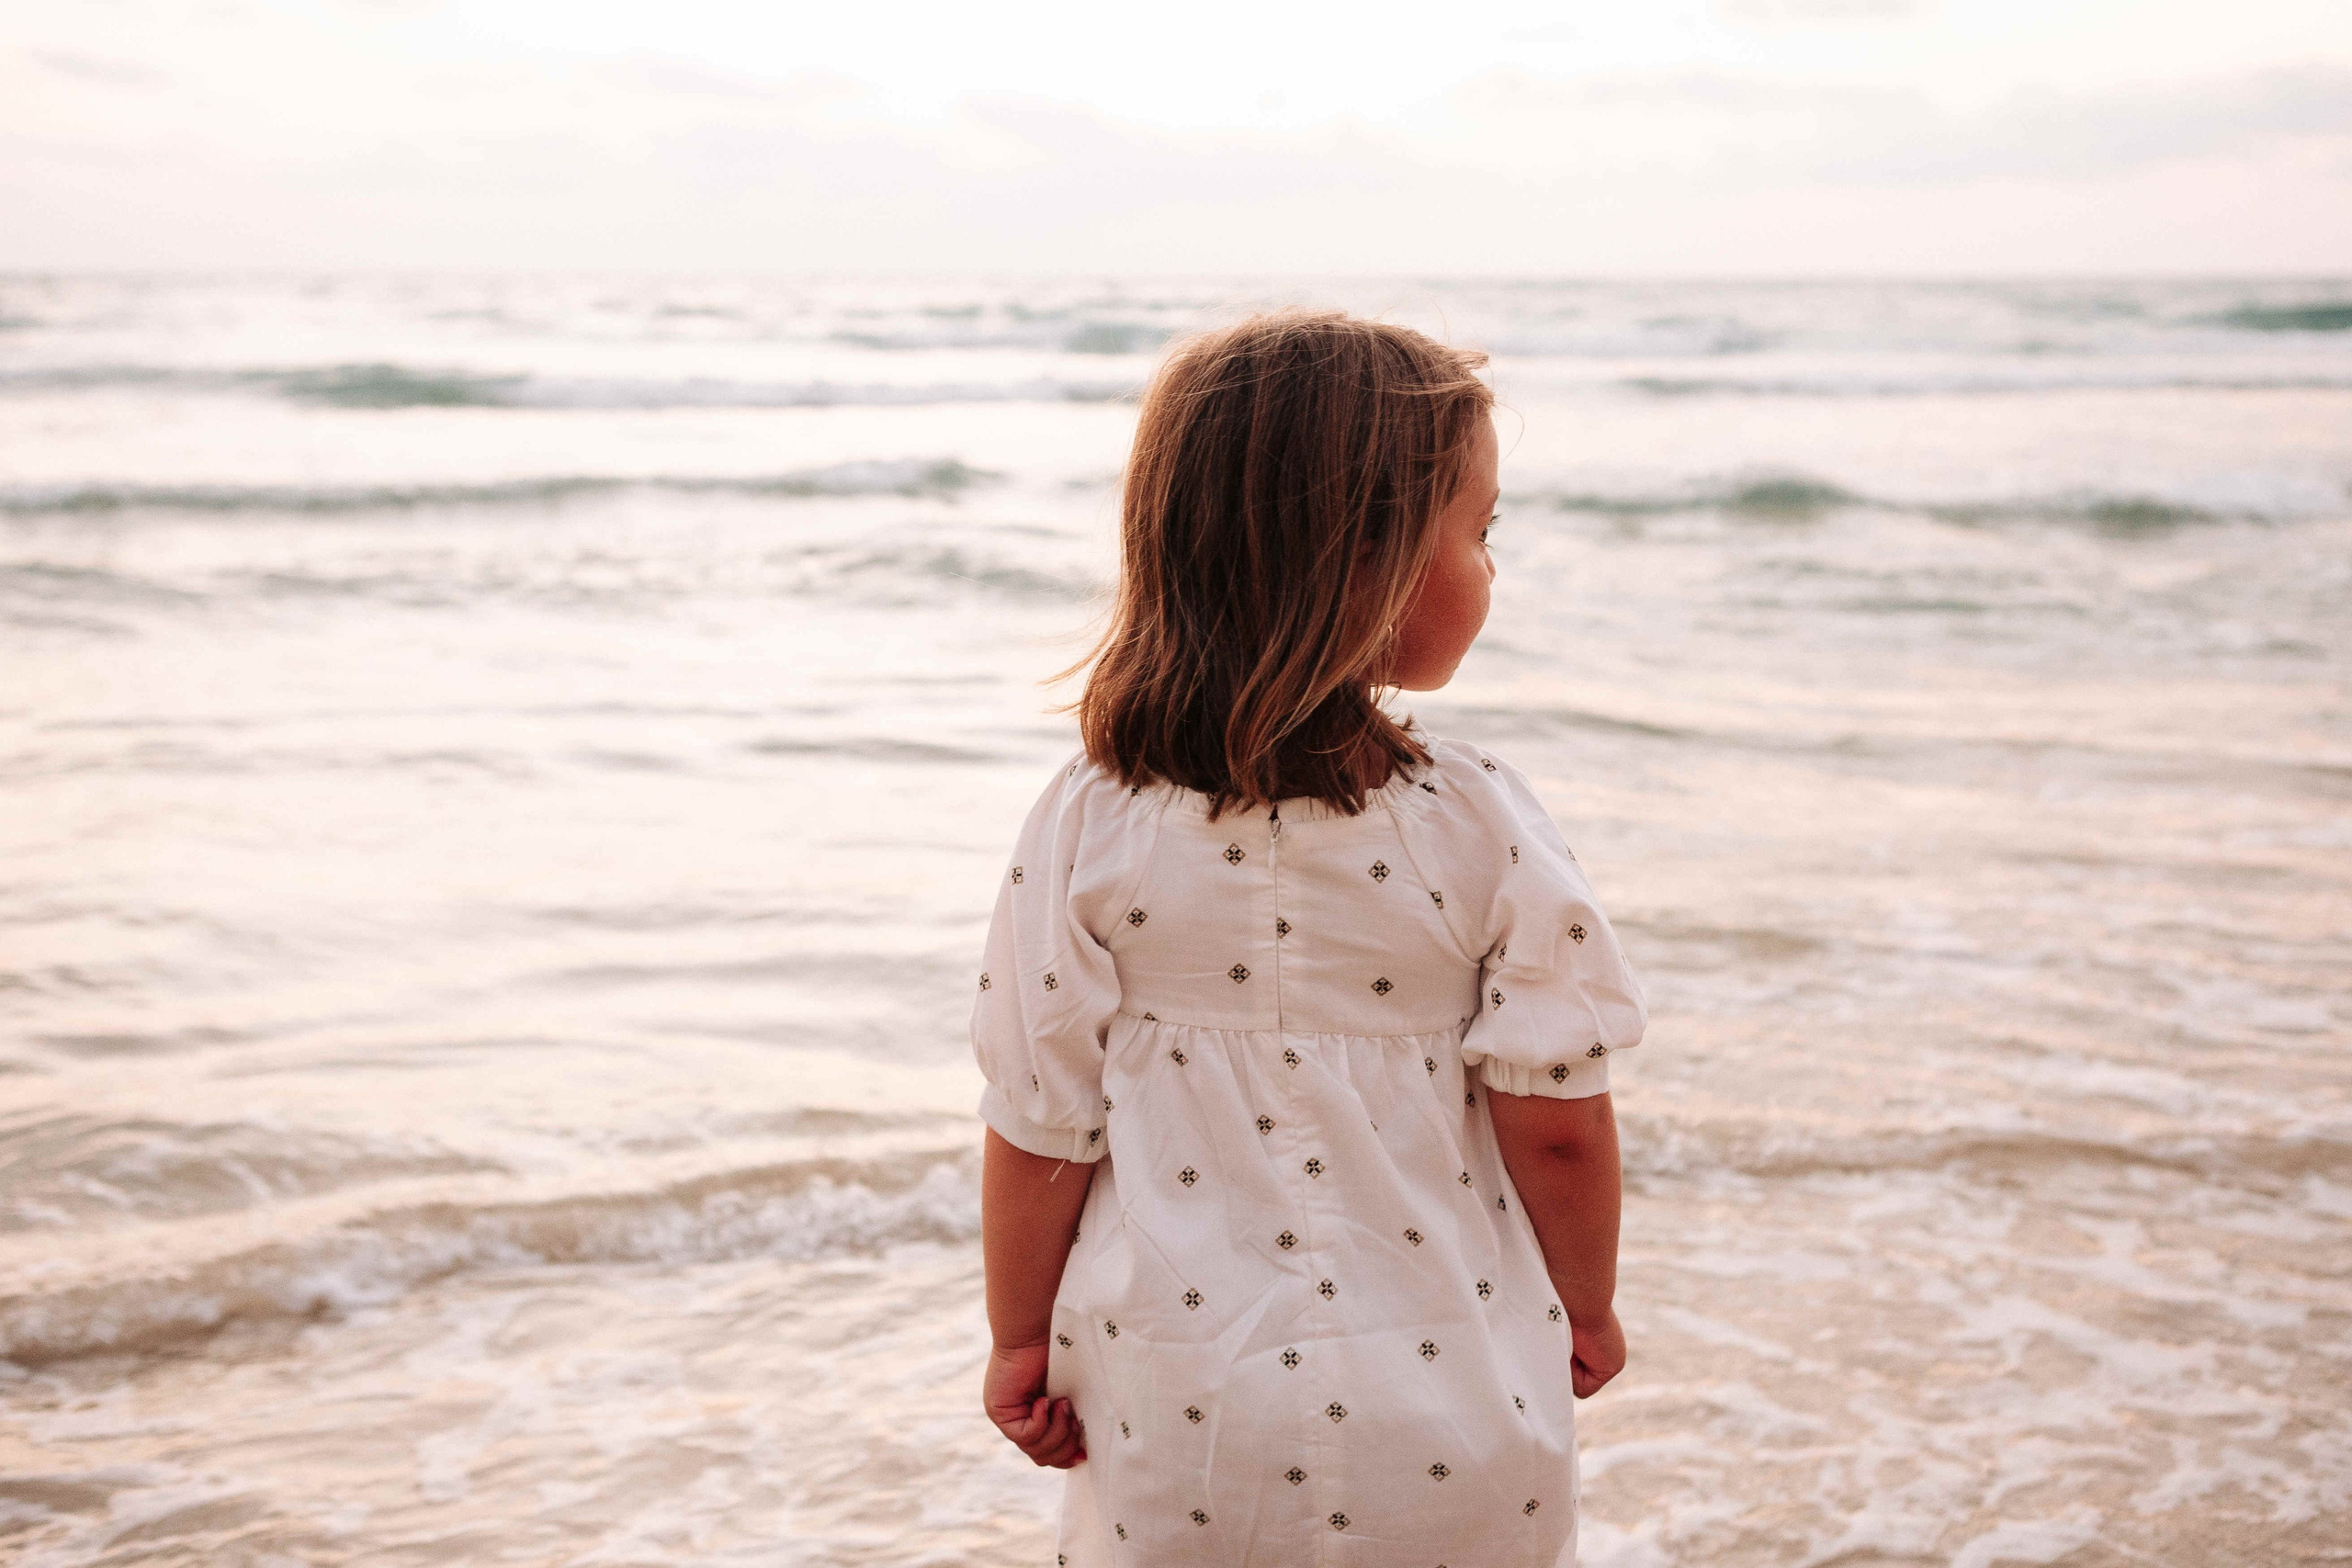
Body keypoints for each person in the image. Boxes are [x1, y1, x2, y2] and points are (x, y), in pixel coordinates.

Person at [972, 311, 1645, 1565]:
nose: (1493, 567)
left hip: (1181, 1399)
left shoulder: (1089, 821)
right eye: (1481, 531)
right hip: (1447, 1393)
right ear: (1370, 564)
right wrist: (1590, 1305)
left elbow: (1039, 1121)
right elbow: (1554, 1109)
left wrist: (1019, 1338)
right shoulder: (1475, 819)